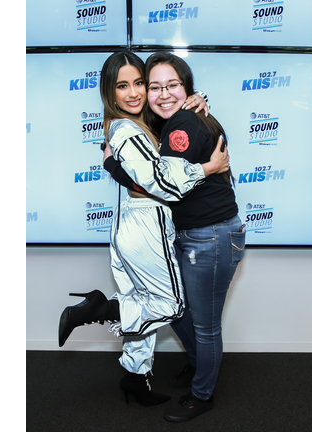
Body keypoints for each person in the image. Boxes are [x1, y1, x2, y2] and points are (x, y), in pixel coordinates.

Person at [57, 50, 230, 407]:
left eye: (140, 83)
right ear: (110, 91)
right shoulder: (129, 129)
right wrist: (207, 169)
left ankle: (136, 377)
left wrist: (195, 100)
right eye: (125, 85)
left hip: (137, 228)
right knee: (168, 305)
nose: (136, 92)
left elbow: (147, 166)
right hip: (146, 229)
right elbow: (160, 183)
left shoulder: (145, 122)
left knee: (144, 301)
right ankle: (99, 309)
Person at [104, 51, 245, 423]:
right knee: (179, 310)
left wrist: (112, 163)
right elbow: (148, 167)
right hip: (188, 234)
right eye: (154, 86)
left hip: (210, 236)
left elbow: (161, 181)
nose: (162, 94)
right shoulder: (163, 122)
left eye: (173, 86)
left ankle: (203, 394)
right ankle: (201, 367)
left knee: (202, 323)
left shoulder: (184, 123)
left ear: (187, 89)